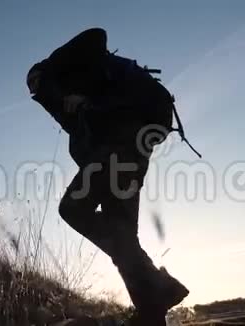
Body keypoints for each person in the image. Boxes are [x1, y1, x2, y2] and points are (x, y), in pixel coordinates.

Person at [27, 28, 190, 325]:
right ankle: (152, 312)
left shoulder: (65, 76)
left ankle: (160, 286)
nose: (35, 91)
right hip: (134, 153)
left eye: (34, 84)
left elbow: (96, 36)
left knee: (73, 209)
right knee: (123, 237)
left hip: (118, 150)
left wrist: (83, 103)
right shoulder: (86, 81)